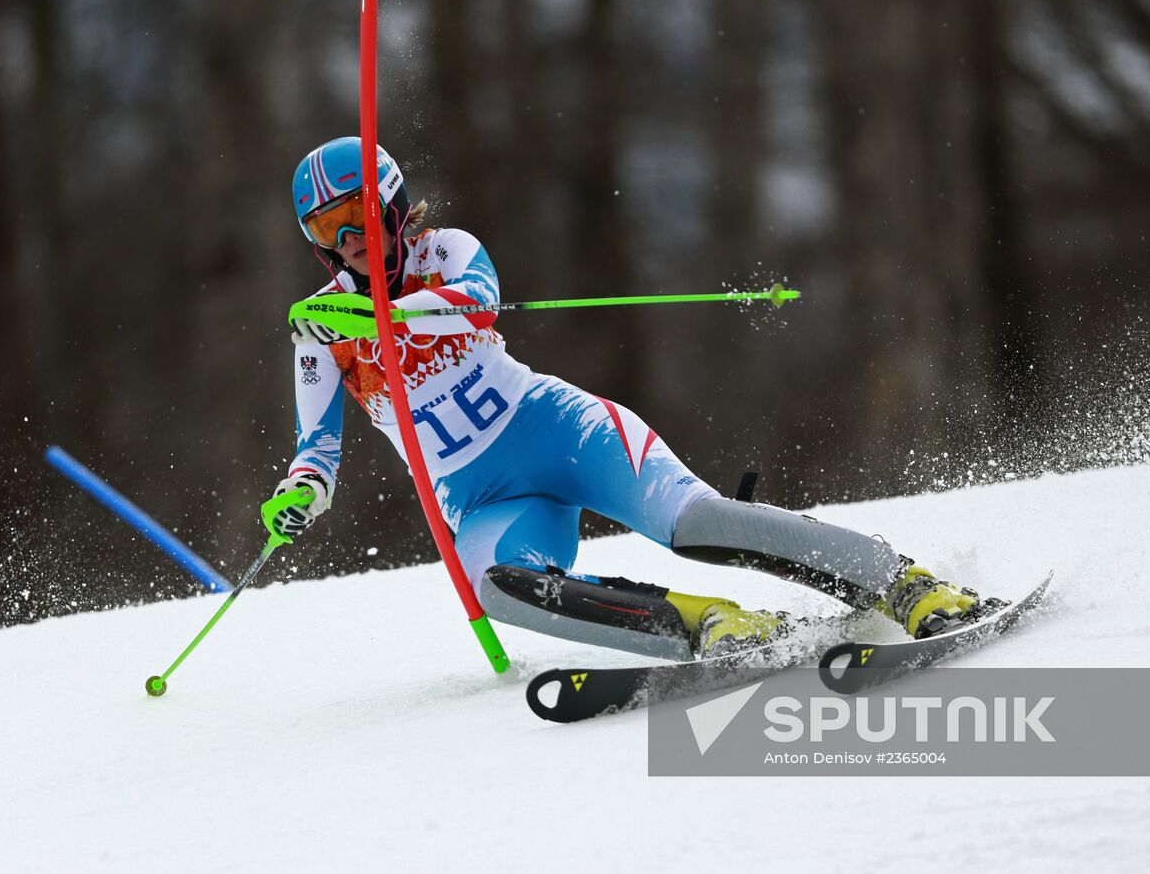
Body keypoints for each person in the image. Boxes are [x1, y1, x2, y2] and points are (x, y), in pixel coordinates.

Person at [265, 136, 983, 660]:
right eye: (332, 231)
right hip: (483, 501)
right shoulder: (319, 329)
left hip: (560, 432)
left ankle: (906, 583)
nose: (354, 240)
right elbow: (318, 452)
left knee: (696, 524)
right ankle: (709, 624)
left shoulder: (444, 251)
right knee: (500, 587)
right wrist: (301, 493)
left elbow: (477, 303)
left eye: (360, 214)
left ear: (393, 205)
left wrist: (385, 316)